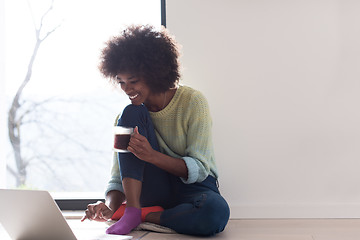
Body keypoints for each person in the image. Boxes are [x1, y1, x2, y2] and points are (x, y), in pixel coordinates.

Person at [81, 25, 230, 236]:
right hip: (152, 188)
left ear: (154, 73)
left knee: (215, 212)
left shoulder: (193, 102)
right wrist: (109, 207)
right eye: (121, 82)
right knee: (130, 113)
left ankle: (141, 216)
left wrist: (151, 156)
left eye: (133, 81)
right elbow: (117, 177)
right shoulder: (126, 118)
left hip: (194, 187)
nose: (126, 89)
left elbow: (200, 168)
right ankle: (132, 210)